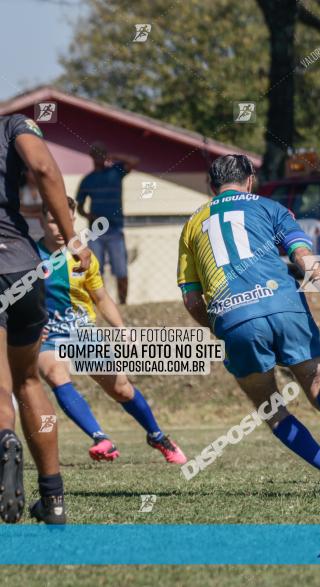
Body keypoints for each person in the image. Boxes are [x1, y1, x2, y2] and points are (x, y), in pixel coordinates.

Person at [177, 154, 320, 494]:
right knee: (318, 383)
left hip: (234, 318)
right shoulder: (270, 207)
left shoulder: (192, 225)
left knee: (272, 409)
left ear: (211, 186)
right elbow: (302, 256)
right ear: (249, 180)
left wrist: (220, 326)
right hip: (284, 305)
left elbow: (191, 299)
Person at [37, 197, 186, 464]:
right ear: (41, 222)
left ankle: (157, 435)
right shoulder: (30, 257)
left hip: (83, 333)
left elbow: (102, 298)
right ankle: (100, 438)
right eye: (52, 221)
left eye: (65, 221)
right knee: (54, 372)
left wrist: (121, 329)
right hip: (48, 337)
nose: (59, 228)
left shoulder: (83, 257)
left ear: (72, 221)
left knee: (121, 389)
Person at [0, 113, 93, 525]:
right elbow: (42, 166)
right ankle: (53, 499)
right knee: (28, 381)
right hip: (21, 268)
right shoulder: (12, 126)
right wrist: (73, 237)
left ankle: (5, 438)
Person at [75, 142, 139, 304]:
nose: (99, 156)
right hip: (95, 230)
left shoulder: (116, 172)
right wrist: (89, 216)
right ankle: (99, 303)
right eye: (96, 153)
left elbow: (135, 161)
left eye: (102, 153)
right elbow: (79, 206)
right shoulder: (87, 180)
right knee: (96, 270)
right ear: (91, 156)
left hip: (115, 229)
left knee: (121, 269)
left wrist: (115, 156)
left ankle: (123, 303)